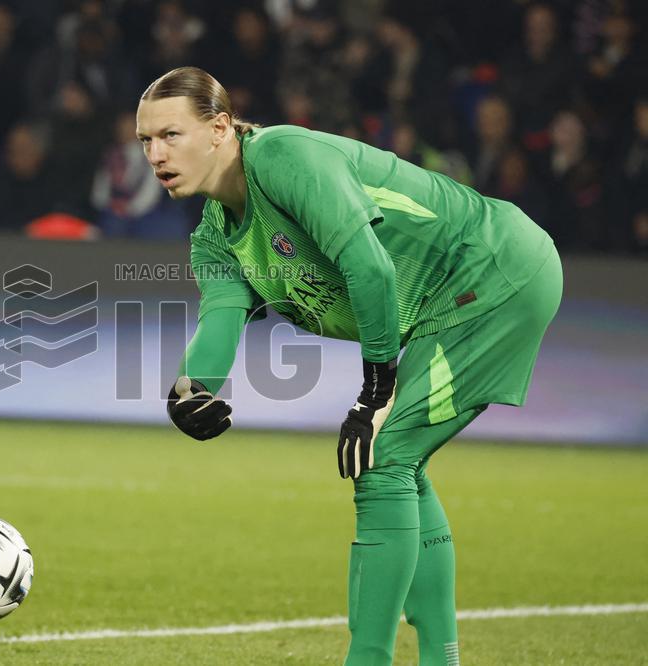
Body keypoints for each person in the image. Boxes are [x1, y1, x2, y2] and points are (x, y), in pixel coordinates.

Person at [138, 67, 562, 666]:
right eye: (145, 141)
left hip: (494, 273)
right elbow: (221, 319)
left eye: (169, 135)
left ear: (219, 128)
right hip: (453, 301)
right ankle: (440, 659)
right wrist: (189, 390)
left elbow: (370, 269)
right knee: (400, 464)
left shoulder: (284, 158)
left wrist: (375, 389)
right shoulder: (213, 237)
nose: (155, 154)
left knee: (383, 457)